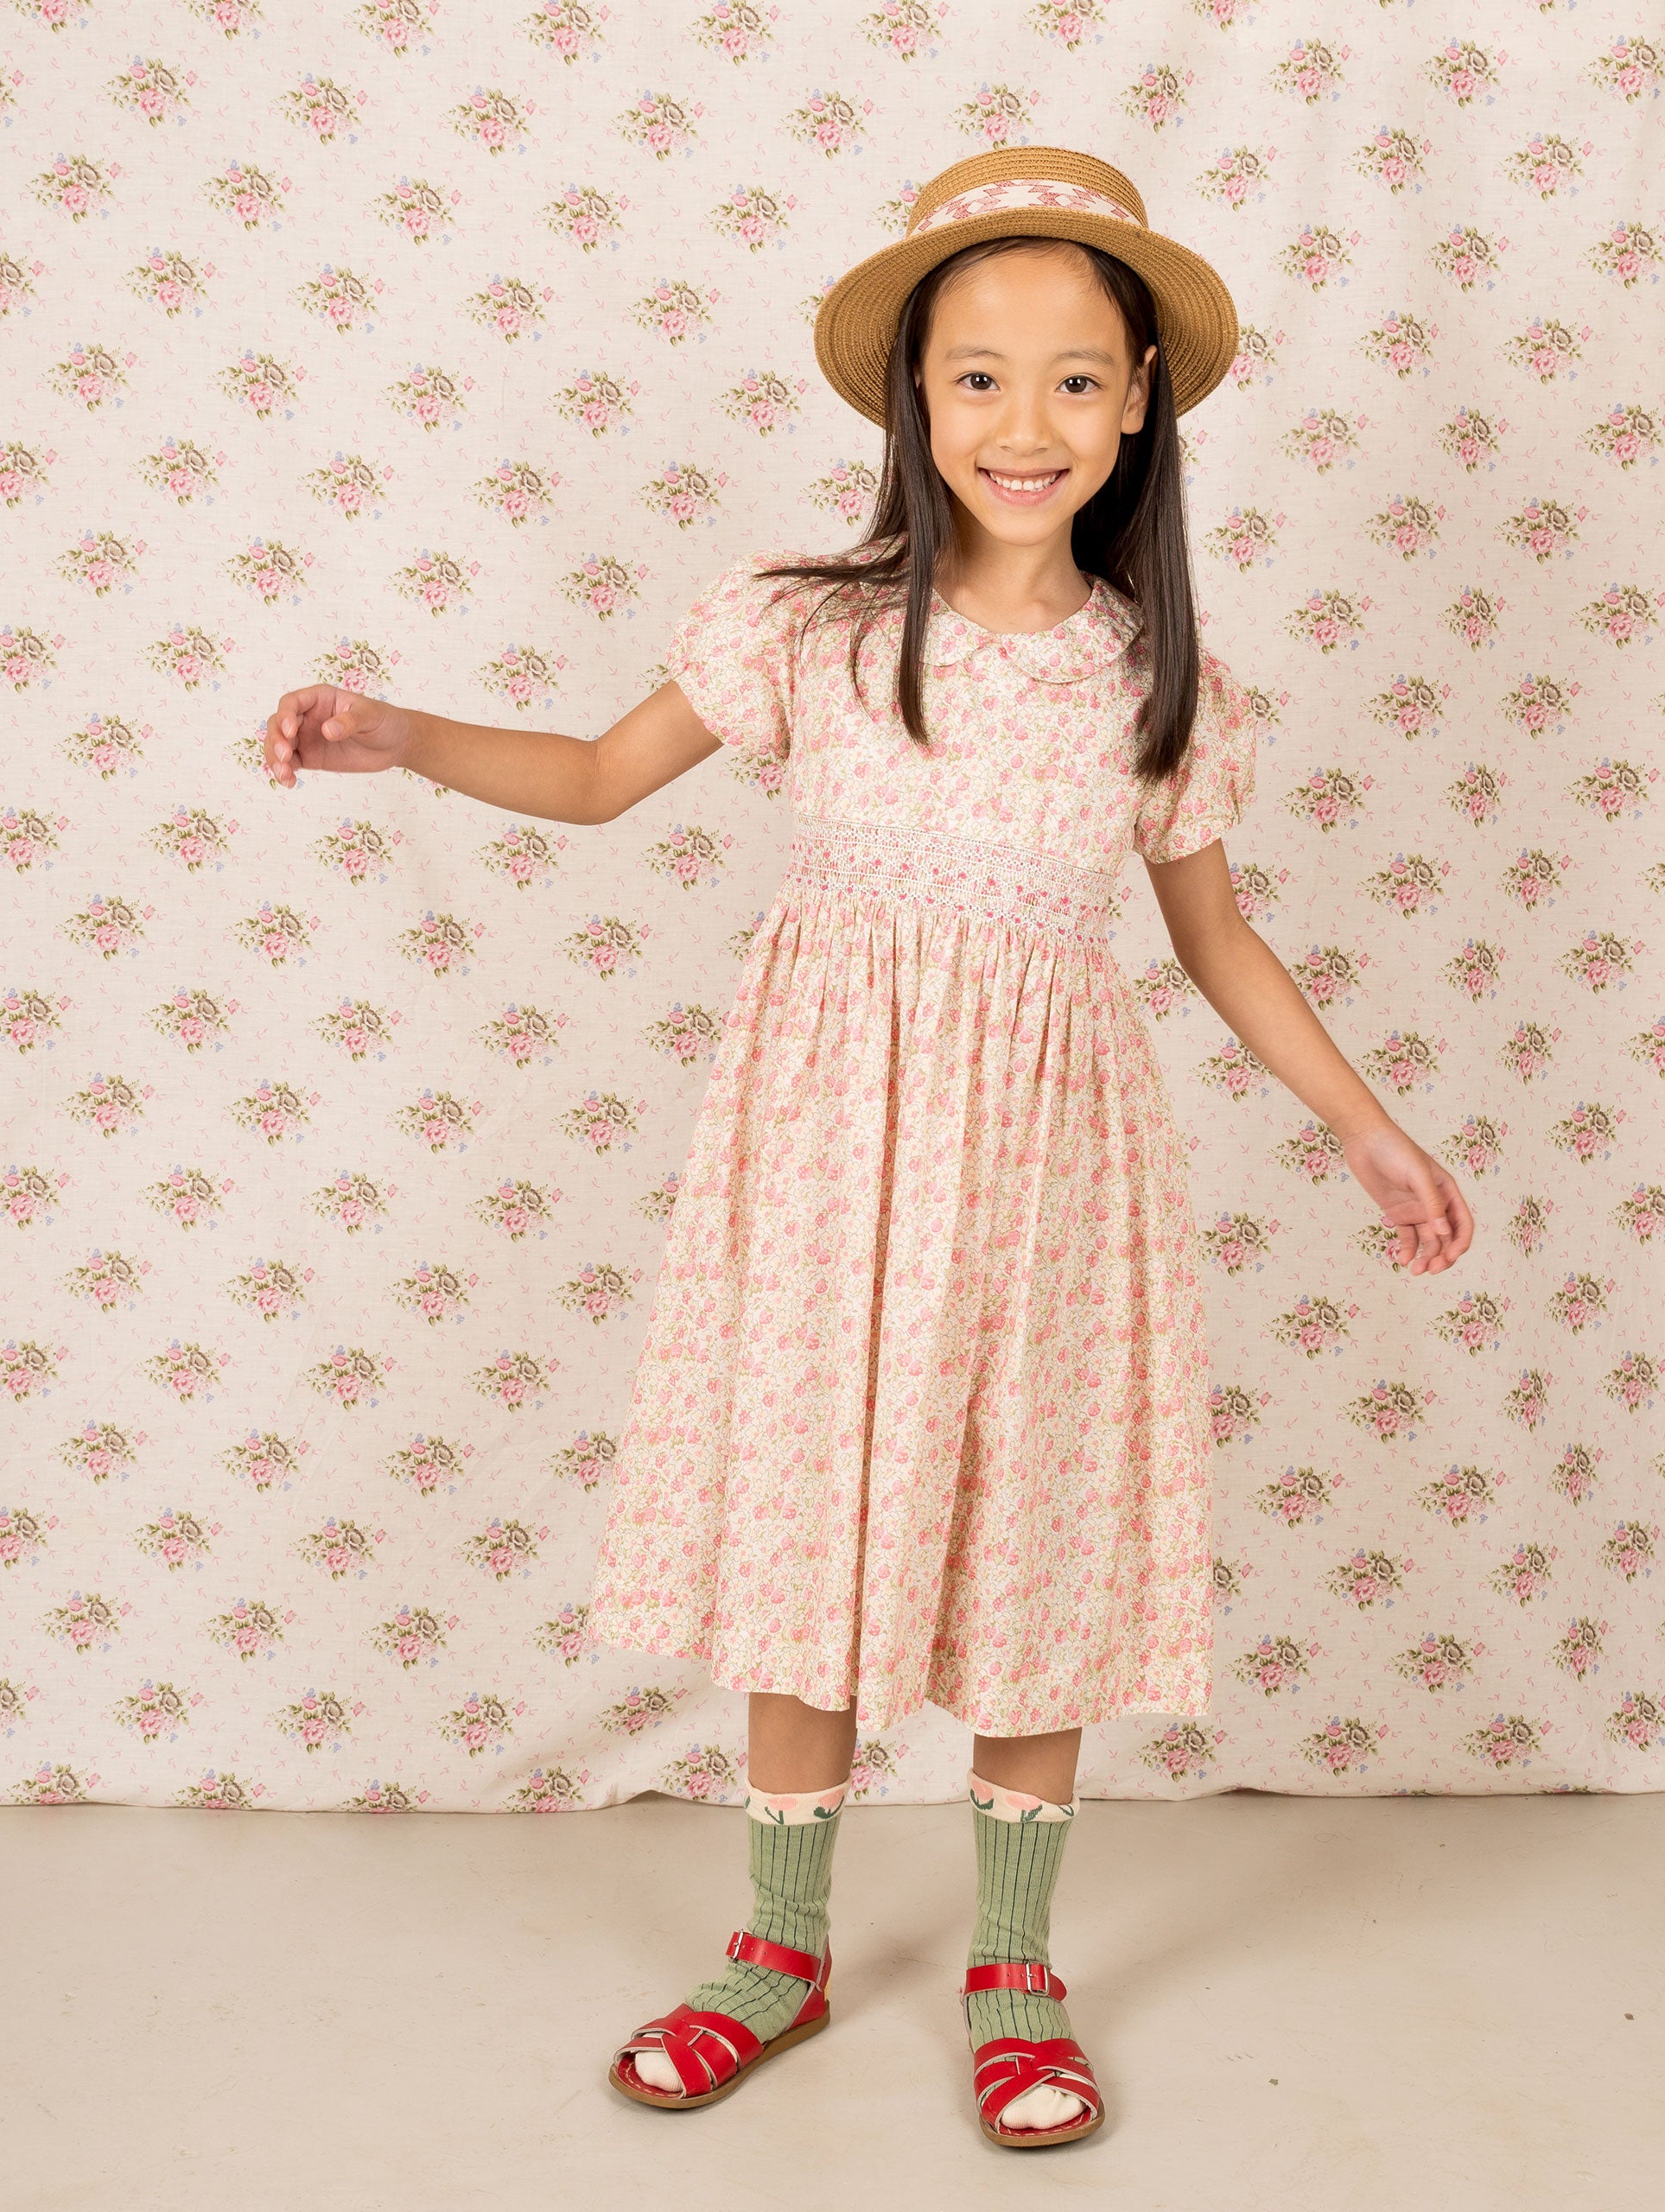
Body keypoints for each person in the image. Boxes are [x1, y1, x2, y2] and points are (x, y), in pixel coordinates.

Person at [264, 148, 1474, 2150]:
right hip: (832, 1145)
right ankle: (781, 1942)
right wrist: (403, 732)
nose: (1027, 421)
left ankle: (1014, 1964)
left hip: (1052, 1160)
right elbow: (585, 777)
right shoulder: (804, 625)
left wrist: (1365, 1126)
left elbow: (1217, 935)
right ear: (913, 399)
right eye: (980, 376)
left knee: (1036, 1518)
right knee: (813, 1507)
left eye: (1077, 378)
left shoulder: (1159, 680)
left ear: (1143, 403)